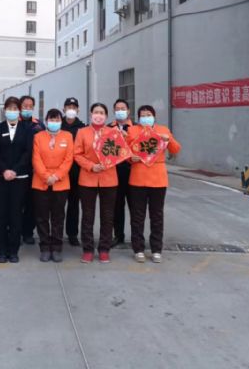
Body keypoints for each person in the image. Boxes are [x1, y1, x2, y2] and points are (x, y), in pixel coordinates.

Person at [126, 105, 181, 263]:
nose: (145, 117)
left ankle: (156, 249)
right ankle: (138, 248)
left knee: (157, 215)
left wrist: (168, 139)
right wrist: (131, 158)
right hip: (137, 177)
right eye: (142, 115)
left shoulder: (163, 130)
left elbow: (176, 149)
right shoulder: (133, 131)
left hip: (158, 179)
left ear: (154, 116)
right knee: (137, 216)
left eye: (148, 114)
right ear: (138, 118)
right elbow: (125, 151)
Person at [73, 103, 119, 263]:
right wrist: (91, 166)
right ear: (91, 114)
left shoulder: (113, 133)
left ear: (106, 116)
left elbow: (118, 153)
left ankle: (104, 248)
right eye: (96, 112)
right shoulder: (82, 132)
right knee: (87, 216)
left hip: (109, 178)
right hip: (87, 178)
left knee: (107, 216)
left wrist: (107, 163)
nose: (98, 115)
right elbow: (77, 154)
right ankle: (87, 249)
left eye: (102, 112)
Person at [0, 97, 33, 263]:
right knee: (1, 215)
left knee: (16, 215)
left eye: (16, 108)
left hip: (19, 178)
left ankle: (14, 250)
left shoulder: (26, 129)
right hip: (1, 178)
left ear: (20, 111)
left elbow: (27, 152)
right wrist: (4, 170)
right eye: (10, 108)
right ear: (5, 110)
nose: (12, 111)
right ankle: (2, 251)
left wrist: (15, 170)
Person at [31, 109, 74, 262]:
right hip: (40, 181)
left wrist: (56, 176)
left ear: (61, 121)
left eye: (57, 119)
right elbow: (36, 159)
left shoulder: (68, 136)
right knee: (42, 216)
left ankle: (56, 247)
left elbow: (69, 159)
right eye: (51, 119)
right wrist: (46, 176)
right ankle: (44, 246)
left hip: (60, 182)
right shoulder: (38, 137)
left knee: (58, 216)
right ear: (46, 120)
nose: (54, 122)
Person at [108, 98, 134, 247]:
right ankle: (118, 235)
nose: (120, 111)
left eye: (123, 108)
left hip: (133, 172)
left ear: (128, 111)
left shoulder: (136, 128)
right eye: (117, 109)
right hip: (115, 171)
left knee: (135, 206)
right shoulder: (109, 128)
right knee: (117, 206)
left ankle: (137, 237)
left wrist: (127, 138)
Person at [19, 95, 44, 245]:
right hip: (18, 169)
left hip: (35, 170)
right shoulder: (15, 123)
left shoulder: (39, 125)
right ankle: (15, 230)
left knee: (32, 203)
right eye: (24, 105)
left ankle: (28, 231)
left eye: (30, 106)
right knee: (17, 203)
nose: (27, 108)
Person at [61, 97, 85, 246]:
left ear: (78, 110)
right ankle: (54, 233)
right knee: (56, 206)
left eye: (74, 107)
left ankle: (72, 234)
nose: (71, 109)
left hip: (76, 173)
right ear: (64, 109)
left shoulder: (82, 128)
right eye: (68, 107)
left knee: (74, 205)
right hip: (59, 173)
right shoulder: (57, 124)